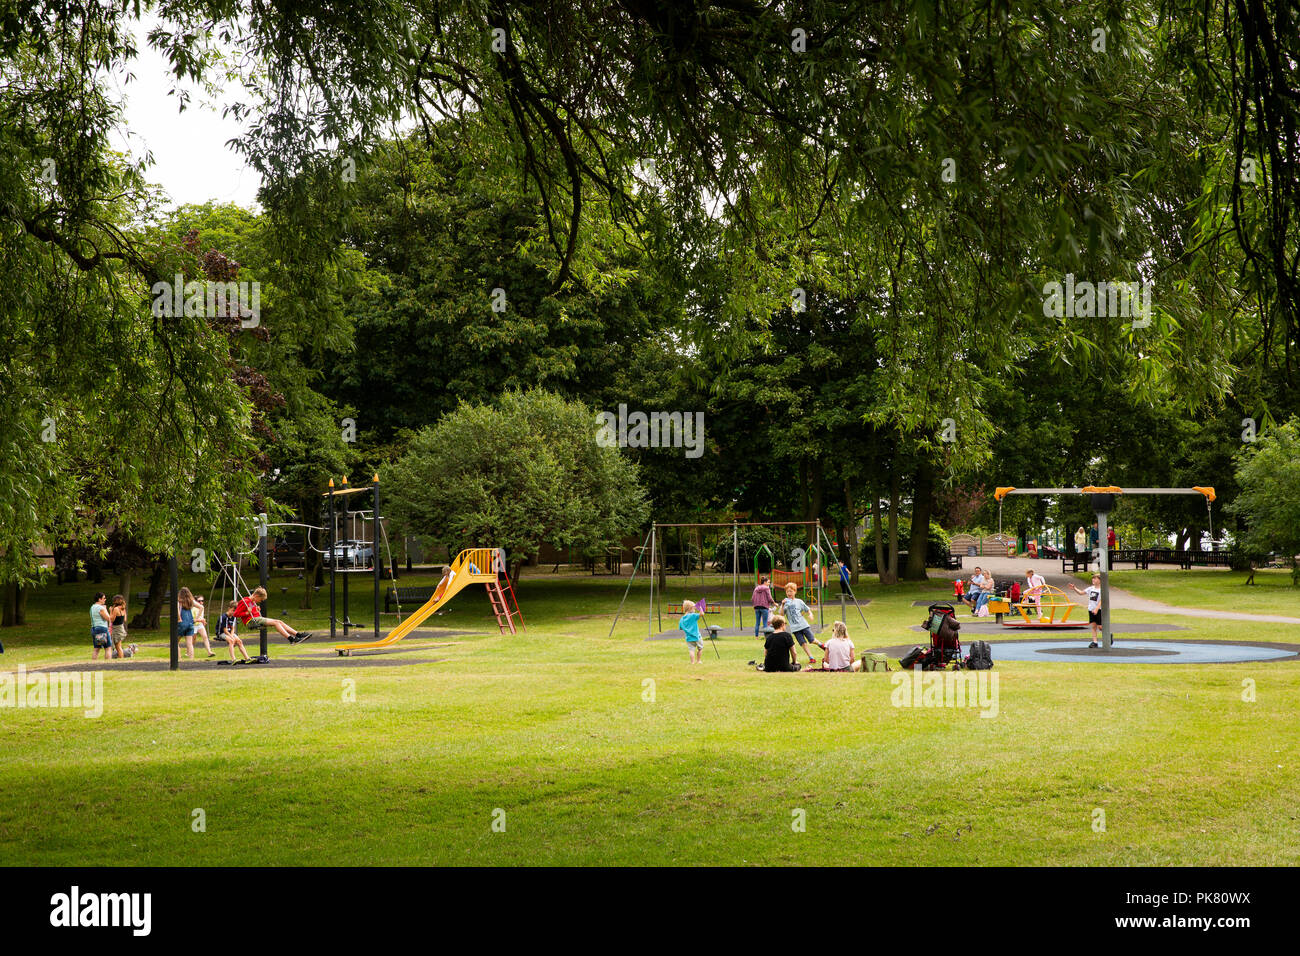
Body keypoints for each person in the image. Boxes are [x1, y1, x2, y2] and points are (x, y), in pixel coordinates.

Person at [232, 587, 312, 644]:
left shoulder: (253, 602)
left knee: (279, 621)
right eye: (261, 599)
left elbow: (251, 611)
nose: (260, 601)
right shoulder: (244, 601)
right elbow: (236, 614)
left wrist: (256, 610)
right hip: (251, 621)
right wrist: (247, 613)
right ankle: (291, 639)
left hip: (257, 618)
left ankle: (298, 635)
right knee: (276, 623)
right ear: (256, 596)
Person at [780, 582, 821, 664]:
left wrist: (810, 614)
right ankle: (811, 658)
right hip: (795, 628)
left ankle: (822, 646)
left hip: (804, 625)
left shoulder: (799, 601)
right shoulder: (785, 603)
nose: (789, 593)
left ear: (795, 591)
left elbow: (807, 609)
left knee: (812, 640)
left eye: (791, 591)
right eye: (787, 591)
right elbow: (781, 614)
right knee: (803, 643)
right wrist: (782, 605)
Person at [177, 587, 214, 660]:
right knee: (190, 643)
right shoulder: (191, 601)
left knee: (175, 642)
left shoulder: (179, 601)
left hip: (182, 623)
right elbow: (201, 607)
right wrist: (196, 618)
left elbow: (177, 611)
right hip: (191, 623)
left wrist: (179, 619)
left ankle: (179, 658)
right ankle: (191, 659)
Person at [1069, 575, 1104, 647]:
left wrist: (1097, 608)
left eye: (1095, 579)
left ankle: (1108, 635)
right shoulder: (1091, 588)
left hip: (1099, 610)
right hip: (1091, 609)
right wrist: (1074, 588)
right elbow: (1081, 593)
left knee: (1100, 627)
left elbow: (1102, 600)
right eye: (1092, 579)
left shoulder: (1102, 590)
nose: (1093, 580)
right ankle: (1095, 642)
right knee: (1093, 626)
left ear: (1100, 580)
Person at [678, 599, 703, 664]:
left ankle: (692, 662)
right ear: (690, 608)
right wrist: (700, 608)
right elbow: (701, 614)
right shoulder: (693, 615)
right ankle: (699, 660)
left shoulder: (682, 619)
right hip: (697, 636)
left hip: (689, 637)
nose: (694, 610)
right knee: (700, 648)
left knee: (691, 650)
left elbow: (681, 628)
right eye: (694, 608)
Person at [90, 592, 113, 660]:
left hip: (94, 628)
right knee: (108, 647)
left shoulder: (92, 607)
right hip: (102, 628)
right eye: (104, 598)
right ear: (99, 599)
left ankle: (93, 664)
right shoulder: (100, 608)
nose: (105, 599)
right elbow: (108, 618)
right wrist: (108, 610)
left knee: (96, 648)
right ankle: (107, 664)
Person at [108, 594, 129, 659]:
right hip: (121, 628)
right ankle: (120, 659)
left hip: (116, 629)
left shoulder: (116, 609)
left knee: (118, 647)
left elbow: (112, 619)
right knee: (118, 646)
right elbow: (125, 619)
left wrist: (111, 611)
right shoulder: (123, 608)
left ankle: (121, 659)